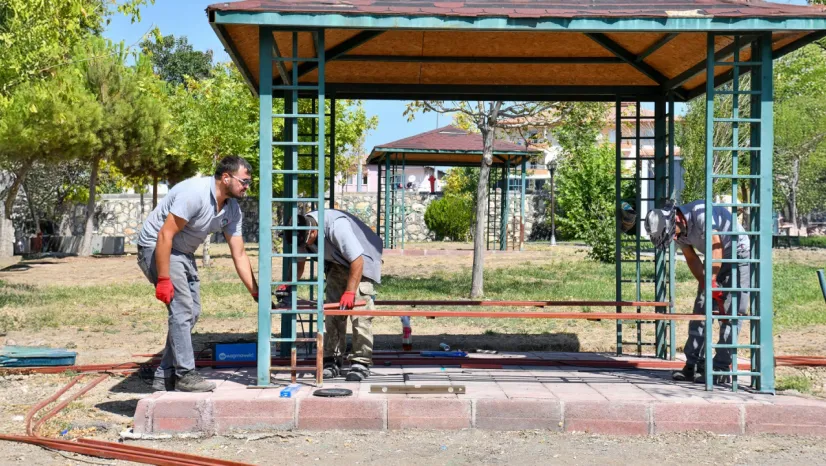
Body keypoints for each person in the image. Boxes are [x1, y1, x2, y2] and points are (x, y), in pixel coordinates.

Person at [137, 156, 258, 392]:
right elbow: (164, 236)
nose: (247, 186)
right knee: (182, 309)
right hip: (157, 247)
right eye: (244, 181)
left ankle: (165, 374)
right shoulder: (194, 194)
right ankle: (185, 375)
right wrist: (163, 279)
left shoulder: (232, 209)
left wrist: (255, 290)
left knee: (192, 311)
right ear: (226, 178)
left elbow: (239, 253)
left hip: (182, 252)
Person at [645, 199, 750, 384]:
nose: (673, 239)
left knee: (732, 312)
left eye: (671, 235)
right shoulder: (677, 231)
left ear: (676, 220)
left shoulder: (700, 214)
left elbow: (715, 246)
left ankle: (720, 368)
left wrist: (712, 280)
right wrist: (705, 283)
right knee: (701, 309)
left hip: (737, 254)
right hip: (715, 257)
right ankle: (693, 364)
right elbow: (691, 258)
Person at [287, 209, 382, 381]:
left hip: (362, 263)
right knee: (332, 315)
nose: (303, 247)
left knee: (360, 315)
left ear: (313, 232)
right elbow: (299, 265)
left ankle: (361, 362)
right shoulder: (302, 232)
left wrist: (350, 291)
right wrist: (287, 284)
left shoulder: (337, 227)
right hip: (336, 264)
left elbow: (357, 261)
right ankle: (332, 359)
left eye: (304, 243)